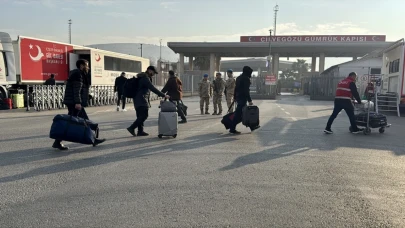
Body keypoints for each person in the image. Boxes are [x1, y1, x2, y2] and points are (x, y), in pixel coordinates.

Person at [52, 59, 106, 150]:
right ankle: (93, 139)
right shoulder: (78, 74)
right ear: (81, 65)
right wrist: (78, 102)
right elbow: (76, 90)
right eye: (86, 65)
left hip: (74, 102)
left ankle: (57, 141)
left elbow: (79, 89)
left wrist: (86, 96)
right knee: (77, 122)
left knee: (73, 122)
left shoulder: (78, 74)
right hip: (74, 103)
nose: (87, 67)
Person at [127, 66, 170, 136]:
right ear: (149, 70)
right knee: (144, 115)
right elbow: (152, 88)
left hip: (137, 99)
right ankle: (132, 128)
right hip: (142, 99)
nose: (153, 74)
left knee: (140, 116)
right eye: (153, 72)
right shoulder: (145, 78)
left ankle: (140, 131)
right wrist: (163, 95)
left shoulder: (141, 77)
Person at [230, 66, 260, 134]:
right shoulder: (246, 79)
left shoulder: (238, 78)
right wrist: (249, 100)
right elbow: (246, 91)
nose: (250, 74)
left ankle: (252, 127)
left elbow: (236, 88)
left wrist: (235, 97)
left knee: (245, 113)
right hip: (242, 98)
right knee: (239, 114)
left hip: (238, 97)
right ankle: (232, 128)